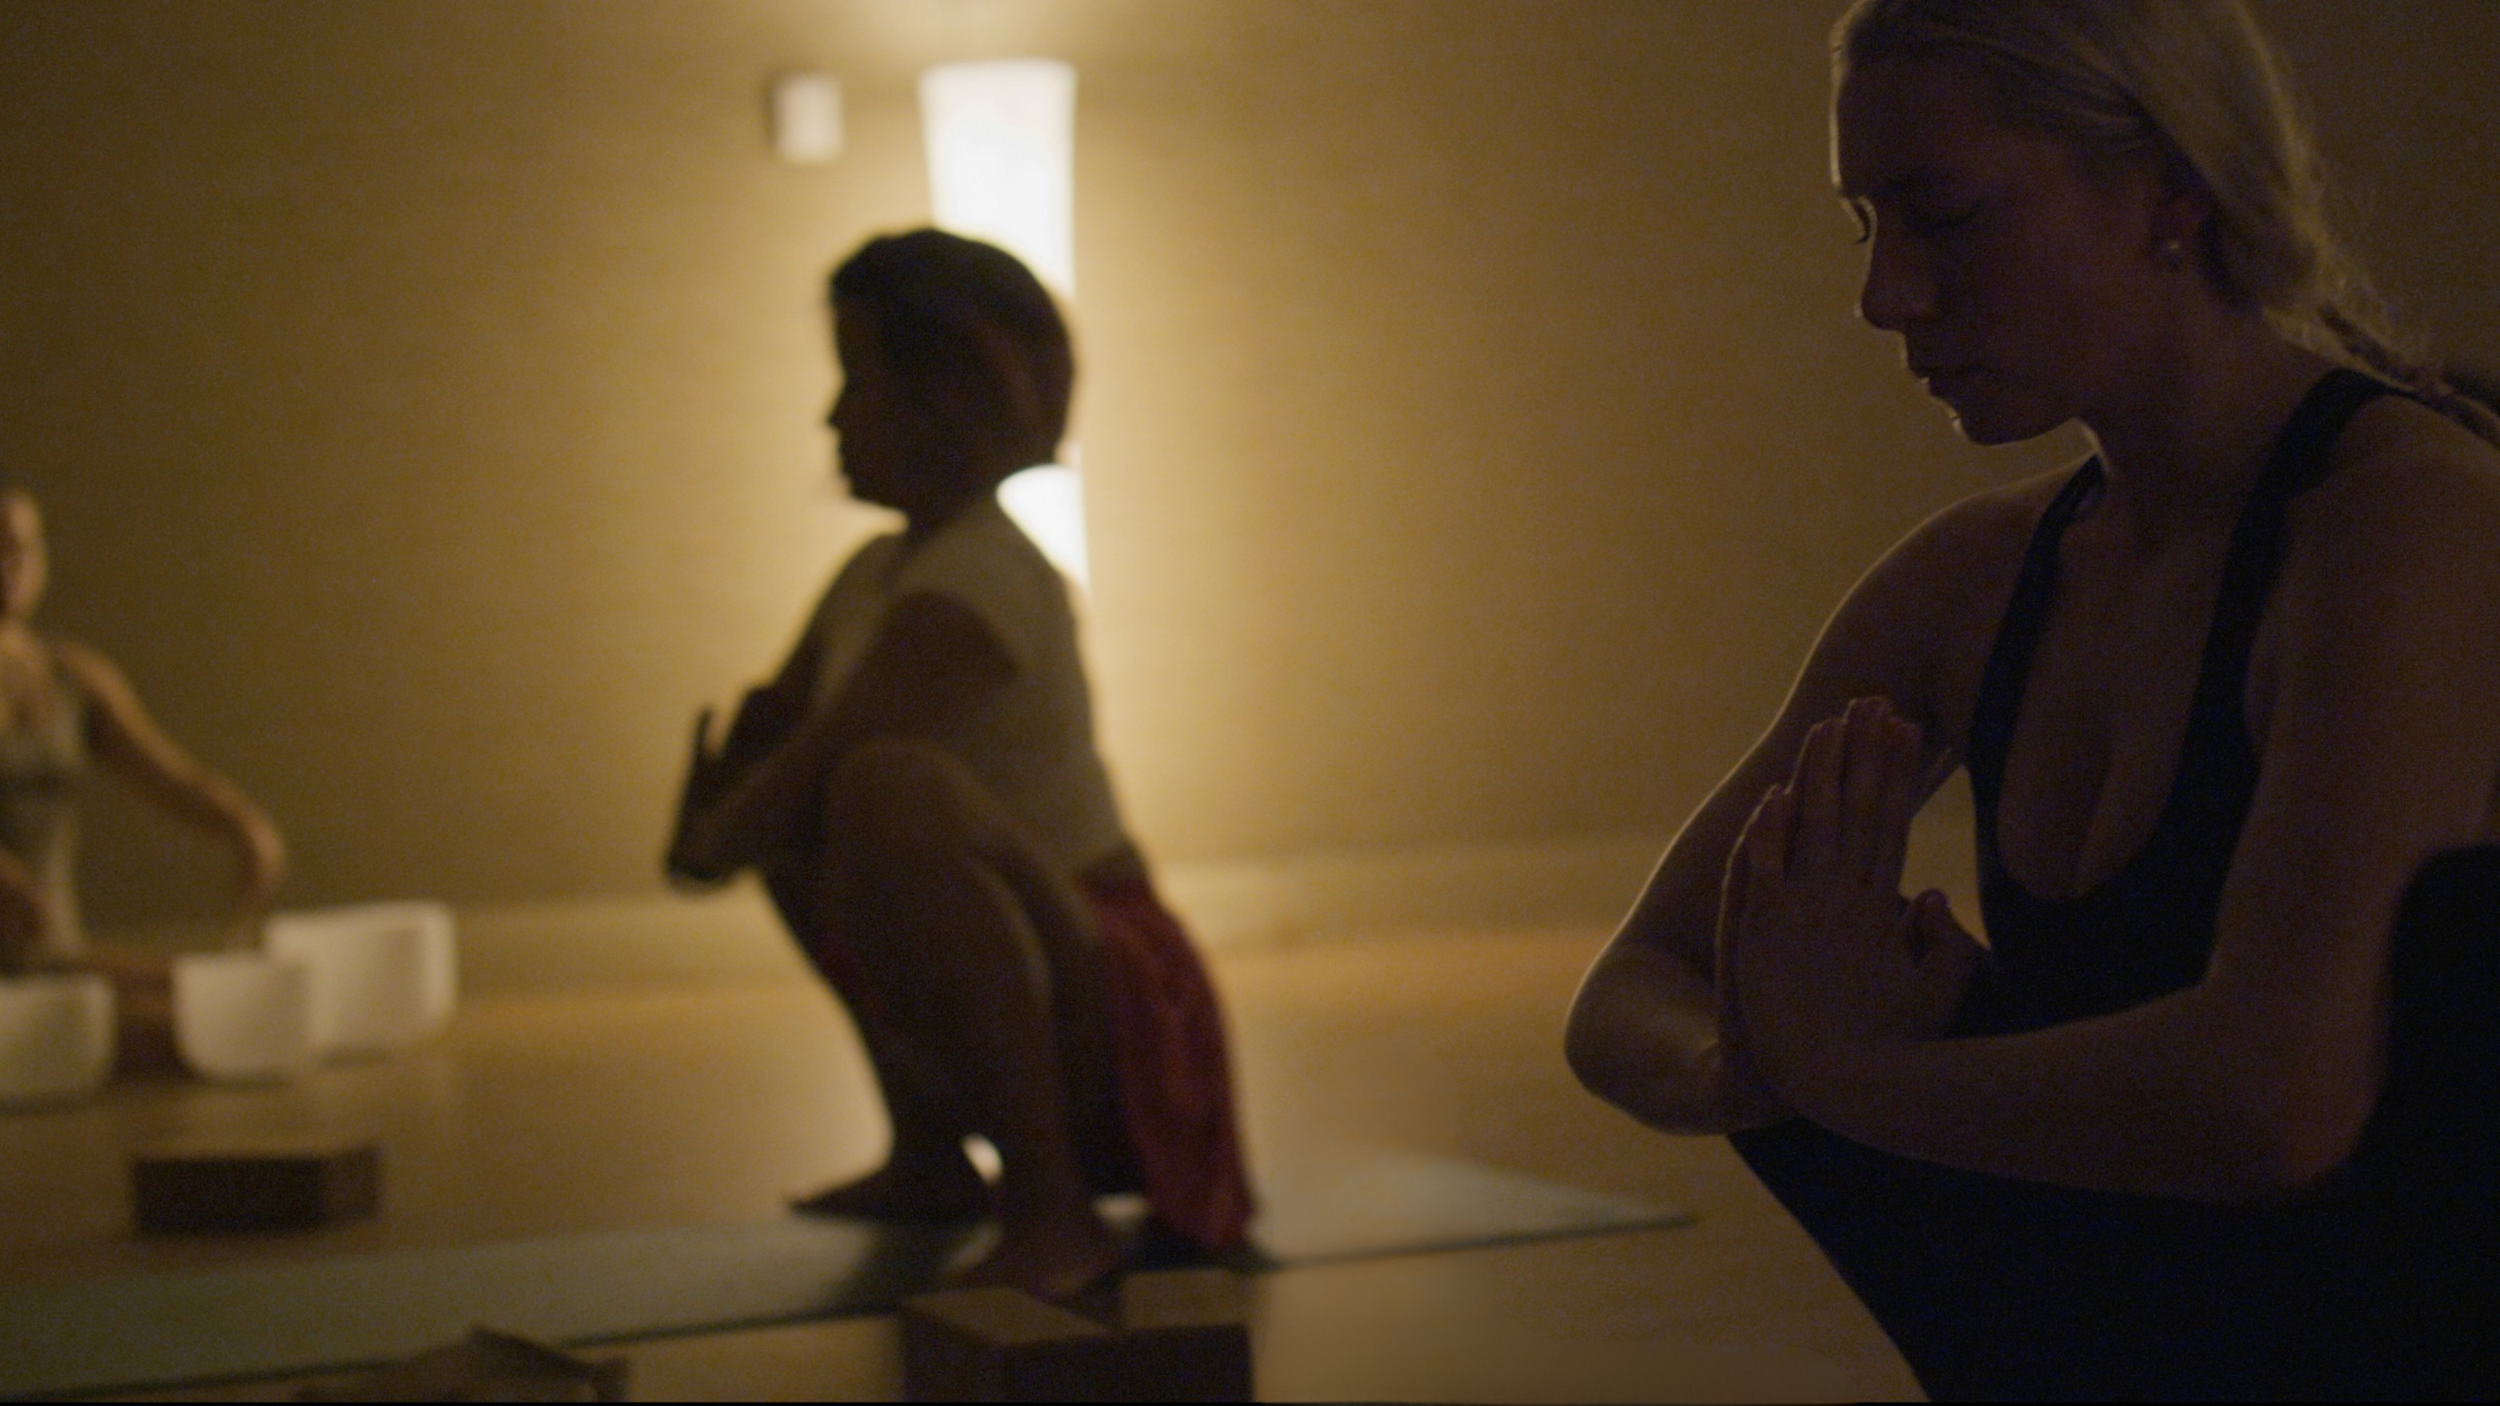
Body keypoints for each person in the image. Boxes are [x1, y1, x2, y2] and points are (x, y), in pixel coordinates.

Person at [1564, 0, 2500, 1397]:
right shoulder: (1975, 578)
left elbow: (2277, 1101)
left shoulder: (2410, 525)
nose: (1887, 295)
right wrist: (1751, 1066)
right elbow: (1628, 998)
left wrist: (1842, 1070)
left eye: (1942, 213)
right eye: (1865, 224)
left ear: (2173, 188)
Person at [666, 230, 1254, 1299]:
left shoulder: (982, 571)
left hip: (1122, 1007)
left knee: (886, 786)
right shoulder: (872, 574)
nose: (831, 418)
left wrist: (727, 823)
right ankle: (930, 1154)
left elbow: (817, 765)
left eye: (857, 381)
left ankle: (1052, 1208)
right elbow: (773, 752)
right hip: (1048, 969)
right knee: (827, 818)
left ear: (946, 394)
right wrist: (732, 783)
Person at [0, 486, 289, 1066]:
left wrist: (240, 823)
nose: (13, 564)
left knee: (228, 1005)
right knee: (180, 1037)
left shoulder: (69, 676)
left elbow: (166, 775)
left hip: (52, 955)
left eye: (23, 547)